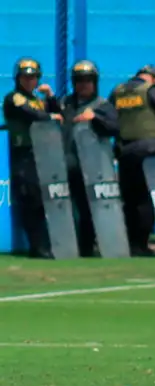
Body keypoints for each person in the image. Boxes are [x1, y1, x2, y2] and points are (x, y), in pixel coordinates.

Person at [110, 65, 155, 257]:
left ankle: (130, 243)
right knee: (147, 200)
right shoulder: (152, 92)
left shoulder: (118, 92)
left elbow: (110, 120)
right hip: (151, 151)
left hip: (126, 152)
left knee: (130, 199)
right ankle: (141, 244)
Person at [2, 57, 62, 258]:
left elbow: (59, 115)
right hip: (24, 155)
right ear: (18, 79)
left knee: (46, 200)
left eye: (33, 77)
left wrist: (51, 97)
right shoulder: (14, 98)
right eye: (25, 77)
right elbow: (32, 115)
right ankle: (38, 247)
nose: (29, 81)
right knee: (32, 199)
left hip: (43, 155)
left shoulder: (38, 100)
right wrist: (50, 116)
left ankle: (49, 244)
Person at [59, 59, 119, 257]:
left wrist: (95, 118)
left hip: (93, 168)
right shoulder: (65, 103)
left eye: (87, 80)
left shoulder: (102, 105)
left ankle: (87, 247)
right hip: (67, 164)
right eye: (78, 81)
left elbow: (115, 128)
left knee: (89, 210)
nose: (83, 85)